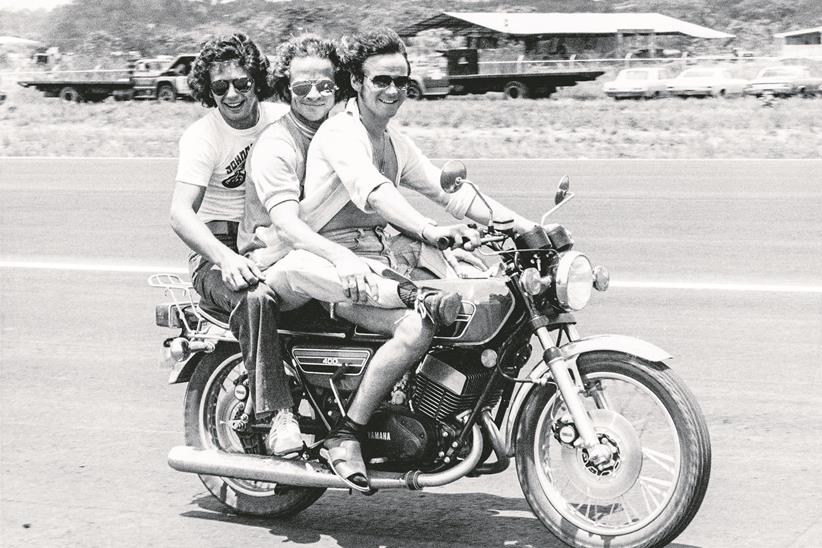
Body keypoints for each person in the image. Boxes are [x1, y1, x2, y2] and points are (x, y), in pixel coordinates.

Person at [295, 27, 539, 486]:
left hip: (380, 258)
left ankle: (440, 409)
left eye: (400, 81)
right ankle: (347, 433)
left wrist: (525, 228)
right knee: (418, 324)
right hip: (335, 266)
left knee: (473, 294)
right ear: (356, 83)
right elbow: (375, 191)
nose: (392, 90)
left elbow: (450, 192)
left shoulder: (393, 141)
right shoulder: (340, 134)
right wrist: (428, 230)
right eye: (381, 80)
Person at [238, 34, 463, 492]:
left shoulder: (374, 136)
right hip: (280, 260)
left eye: (325, 86)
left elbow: (444, 189)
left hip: (344, 259)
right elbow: (298, 223)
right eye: (303, 89)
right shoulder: (282, 144)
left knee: (452, 301)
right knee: (417, 303)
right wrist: (412, 234)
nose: (316, 96)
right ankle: (339, 431)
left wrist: (517, 222)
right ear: (286, 90)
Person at [168, 33, 302, 456]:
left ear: (257, 82)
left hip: (278, 234)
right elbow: (180, 213)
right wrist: (224, 258)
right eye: (220, 86)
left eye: (242, 83)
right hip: (217, 244)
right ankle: (275, 415)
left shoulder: (283, 119)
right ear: (207, 90)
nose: (232, 93)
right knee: (256, 296)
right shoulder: (202, 137)